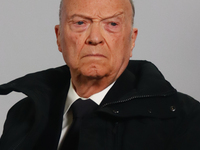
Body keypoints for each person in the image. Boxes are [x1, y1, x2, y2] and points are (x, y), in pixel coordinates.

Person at [0, 0, 200, 149]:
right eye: (80, 23)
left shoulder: (184, 119)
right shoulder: (23, 114)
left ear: (131, 40)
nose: (95, 38)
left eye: (112, 24)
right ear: (59, 37)